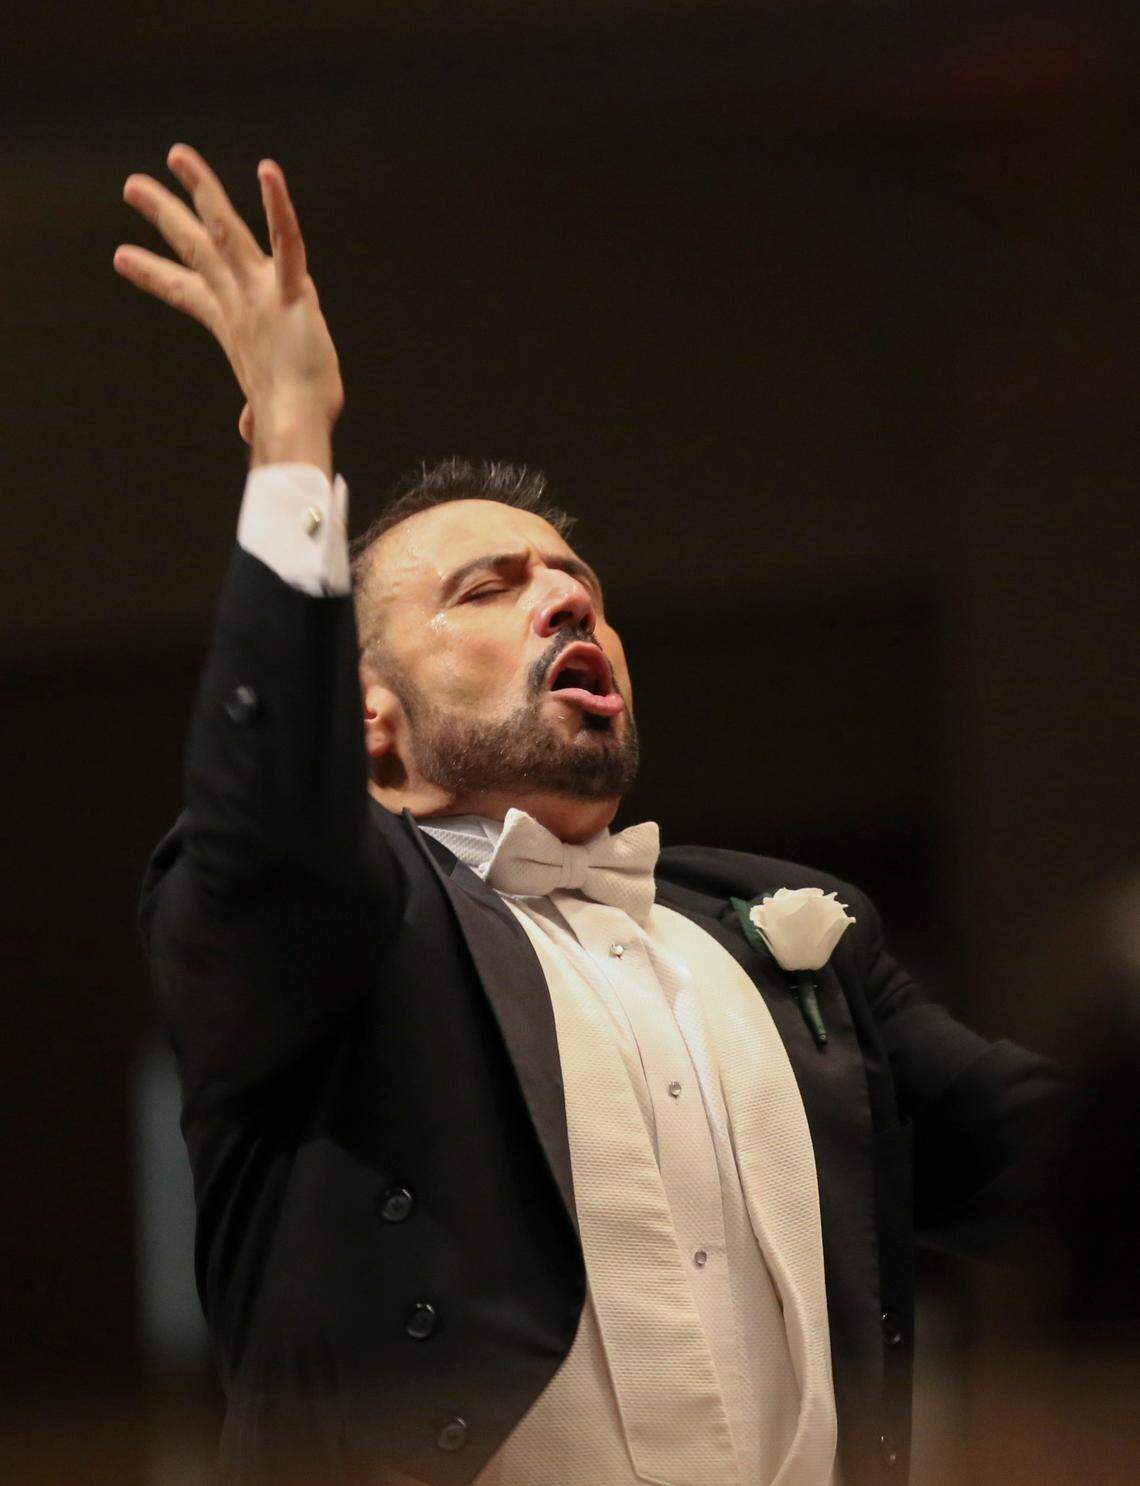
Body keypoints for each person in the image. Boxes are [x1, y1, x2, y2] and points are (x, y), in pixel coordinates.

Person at [120, 145, 1061, 1486]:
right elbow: (265, 829)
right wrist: (292, 435)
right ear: (367, 720)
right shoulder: (328, 929)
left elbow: (1066, 1167)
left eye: (577, 582)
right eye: (488, 588)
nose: (566, 603)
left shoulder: (778, 934)